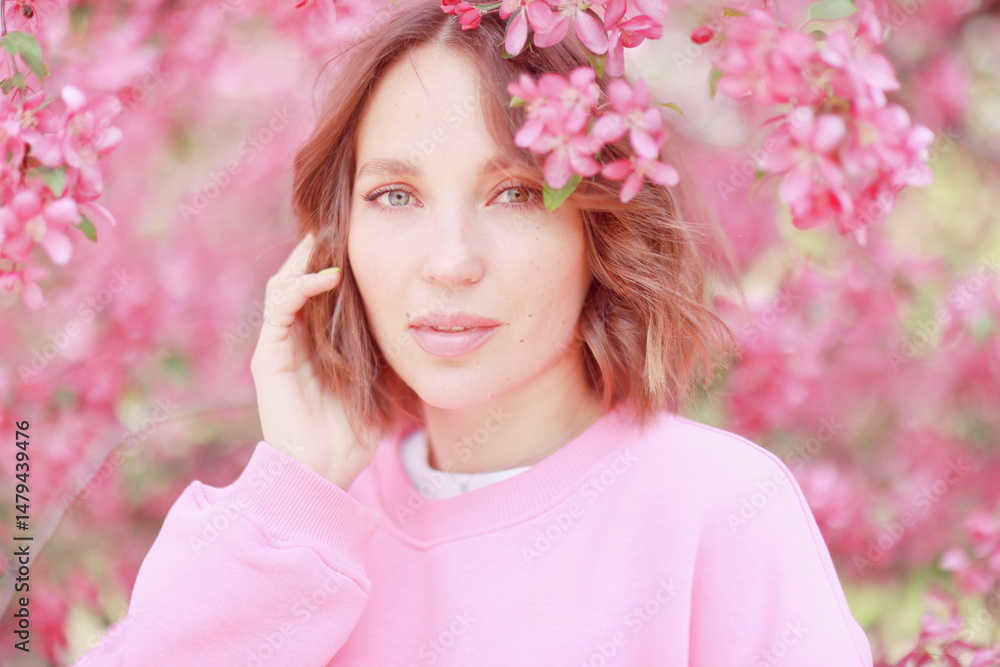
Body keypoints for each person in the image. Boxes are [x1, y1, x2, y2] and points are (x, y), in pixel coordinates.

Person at [72, 1, 874, 665]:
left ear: (602, 228)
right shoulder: (291, 532)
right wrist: (294, 491)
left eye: (517, 194)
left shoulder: (718, 510)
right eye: (394, 196)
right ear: (334, 240)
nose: (450, 262)